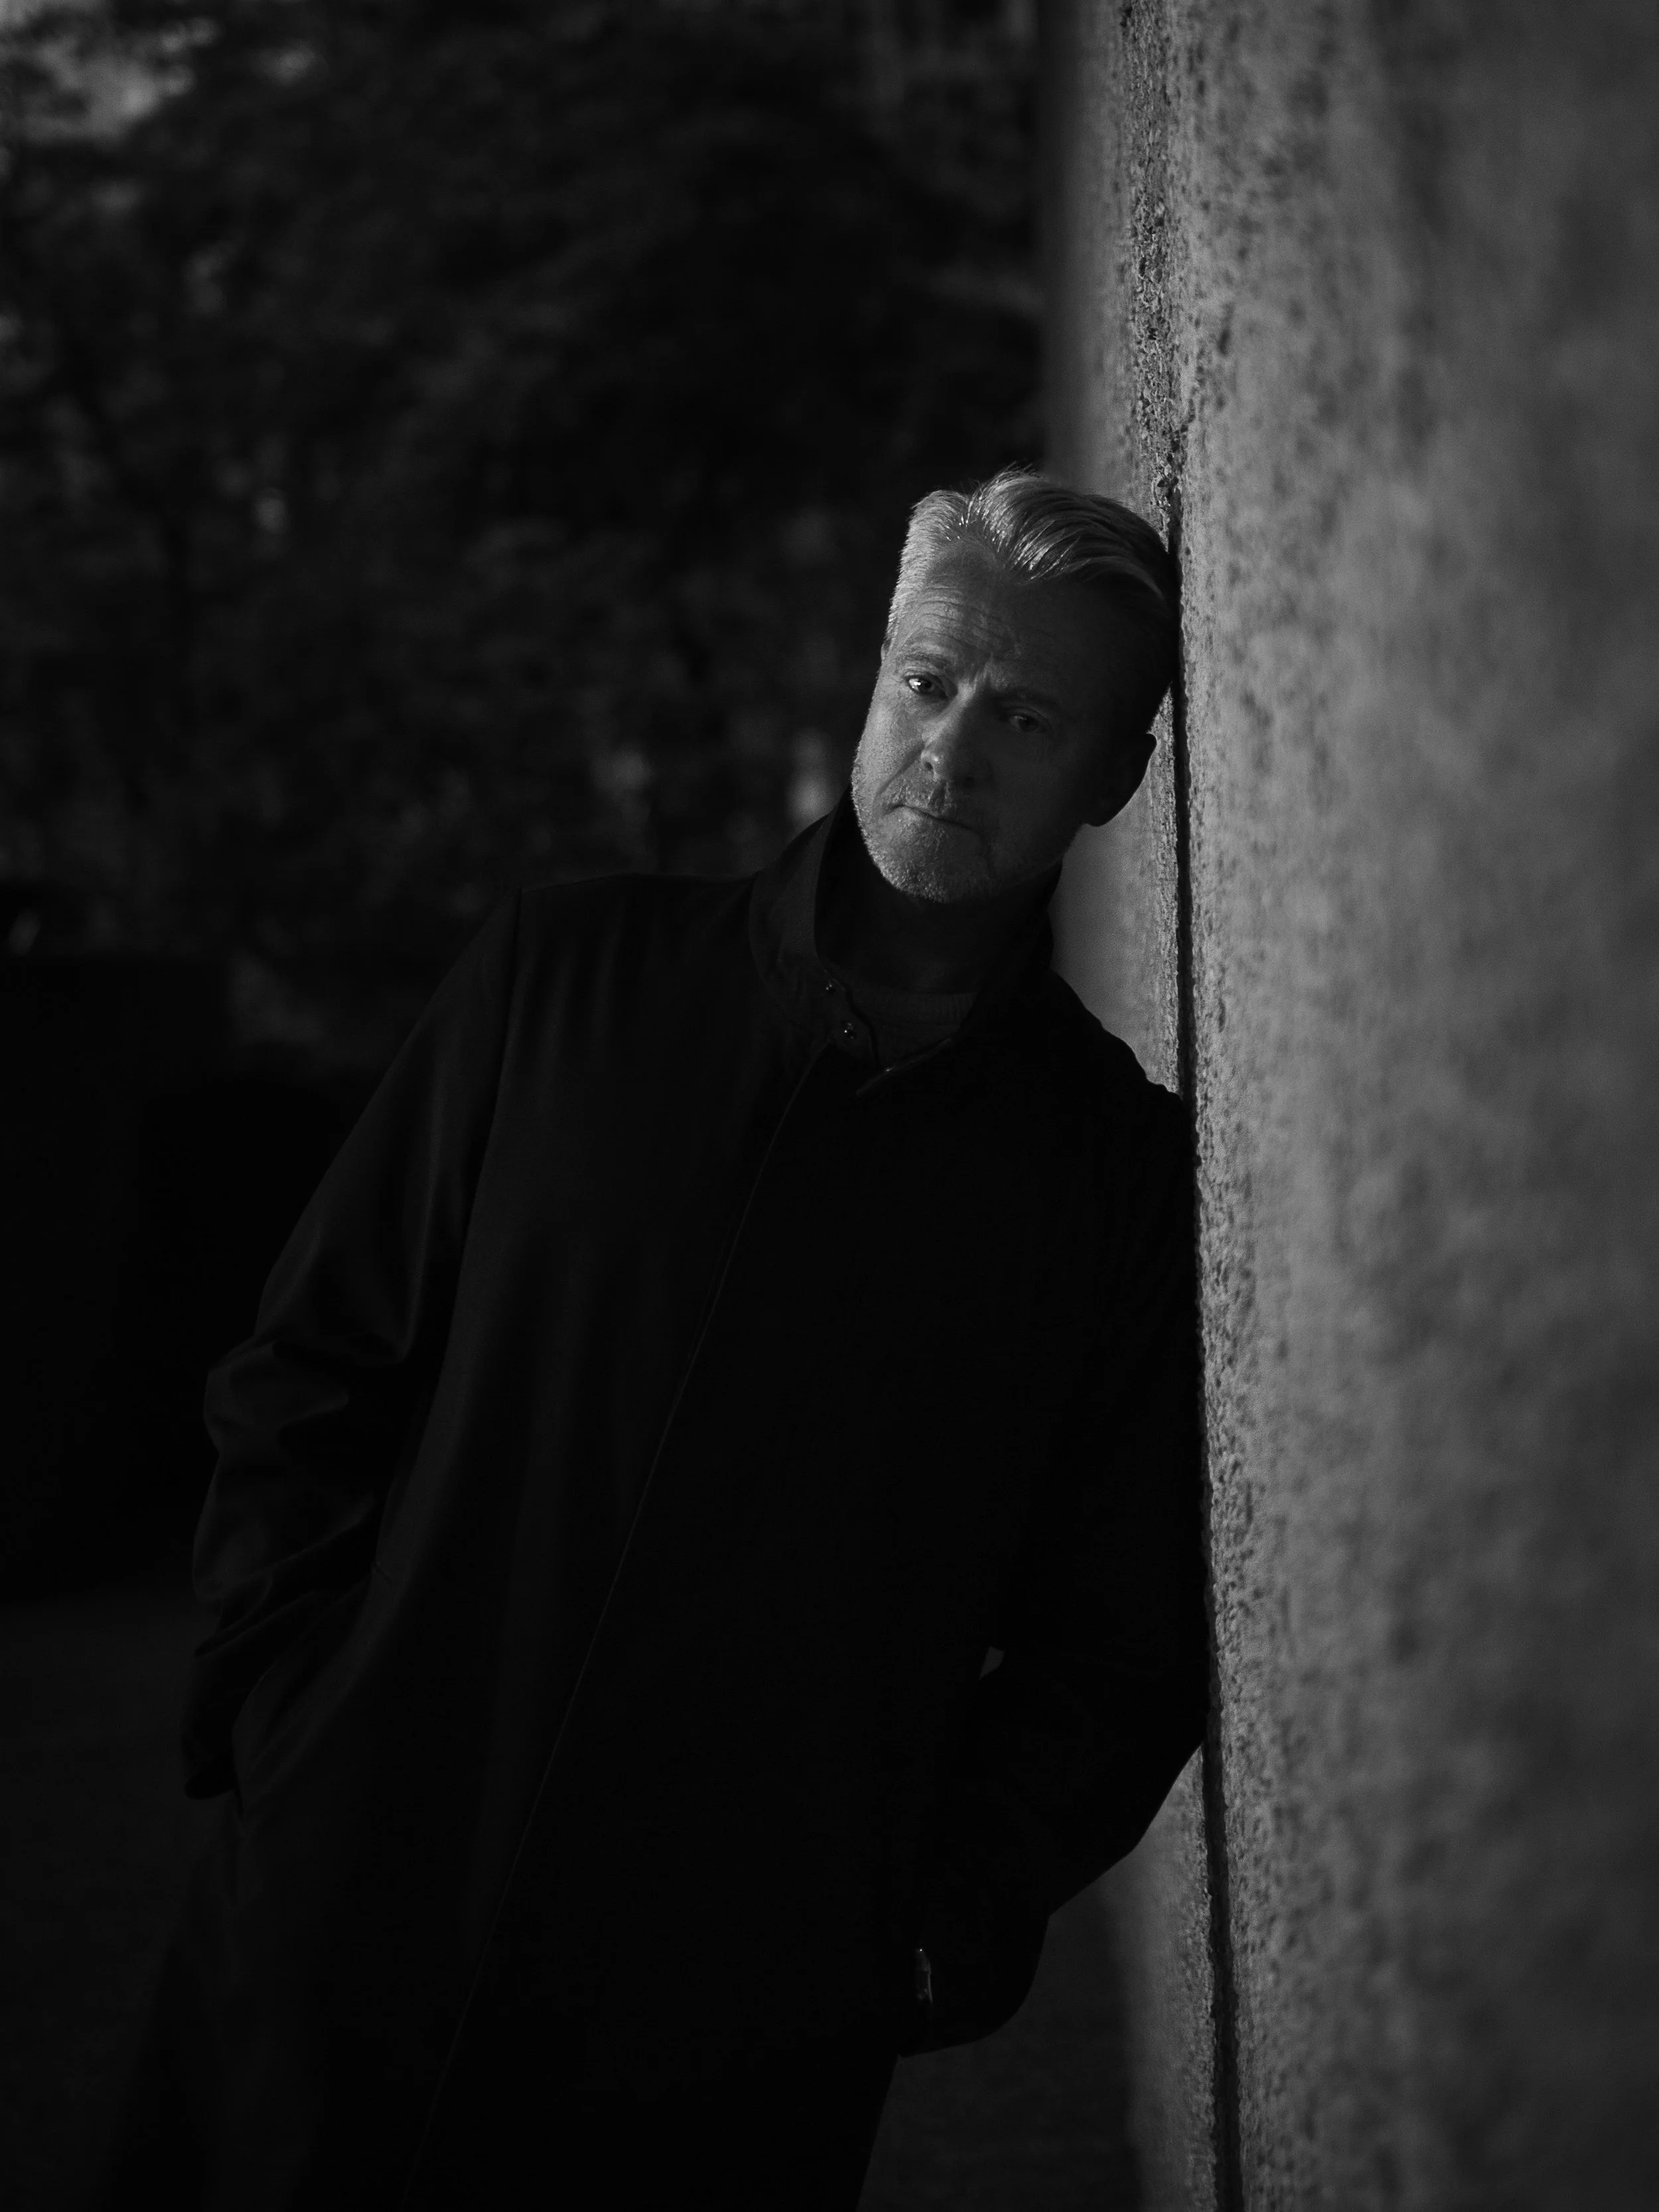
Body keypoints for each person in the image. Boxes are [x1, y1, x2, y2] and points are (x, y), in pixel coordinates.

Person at [103, 467, 1208, 2211]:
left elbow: (1126, 1635)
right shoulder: (564, 975)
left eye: (1027, 713)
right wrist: (278, 1714)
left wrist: (933, 1907)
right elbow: (309, 1365)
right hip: (346, 1918)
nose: (954, 746)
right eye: (925, 682)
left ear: (1115, 774)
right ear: (870, 679)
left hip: (728, 2025)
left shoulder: (1110, 1173)